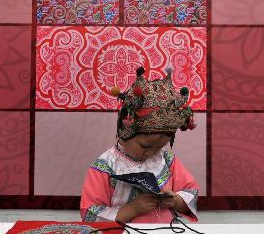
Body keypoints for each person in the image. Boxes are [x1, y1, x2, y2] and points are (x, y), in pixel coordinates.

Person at [80, 67, 200, 223]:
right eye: (145, 146)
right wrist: (132, 209)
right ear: (125, 131)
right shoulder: (105, 165)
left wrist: (176, 201)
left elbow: (191, 190)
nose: (151, 152)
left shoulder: (167, 159)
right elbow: (90, 211)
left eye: (158, 147)